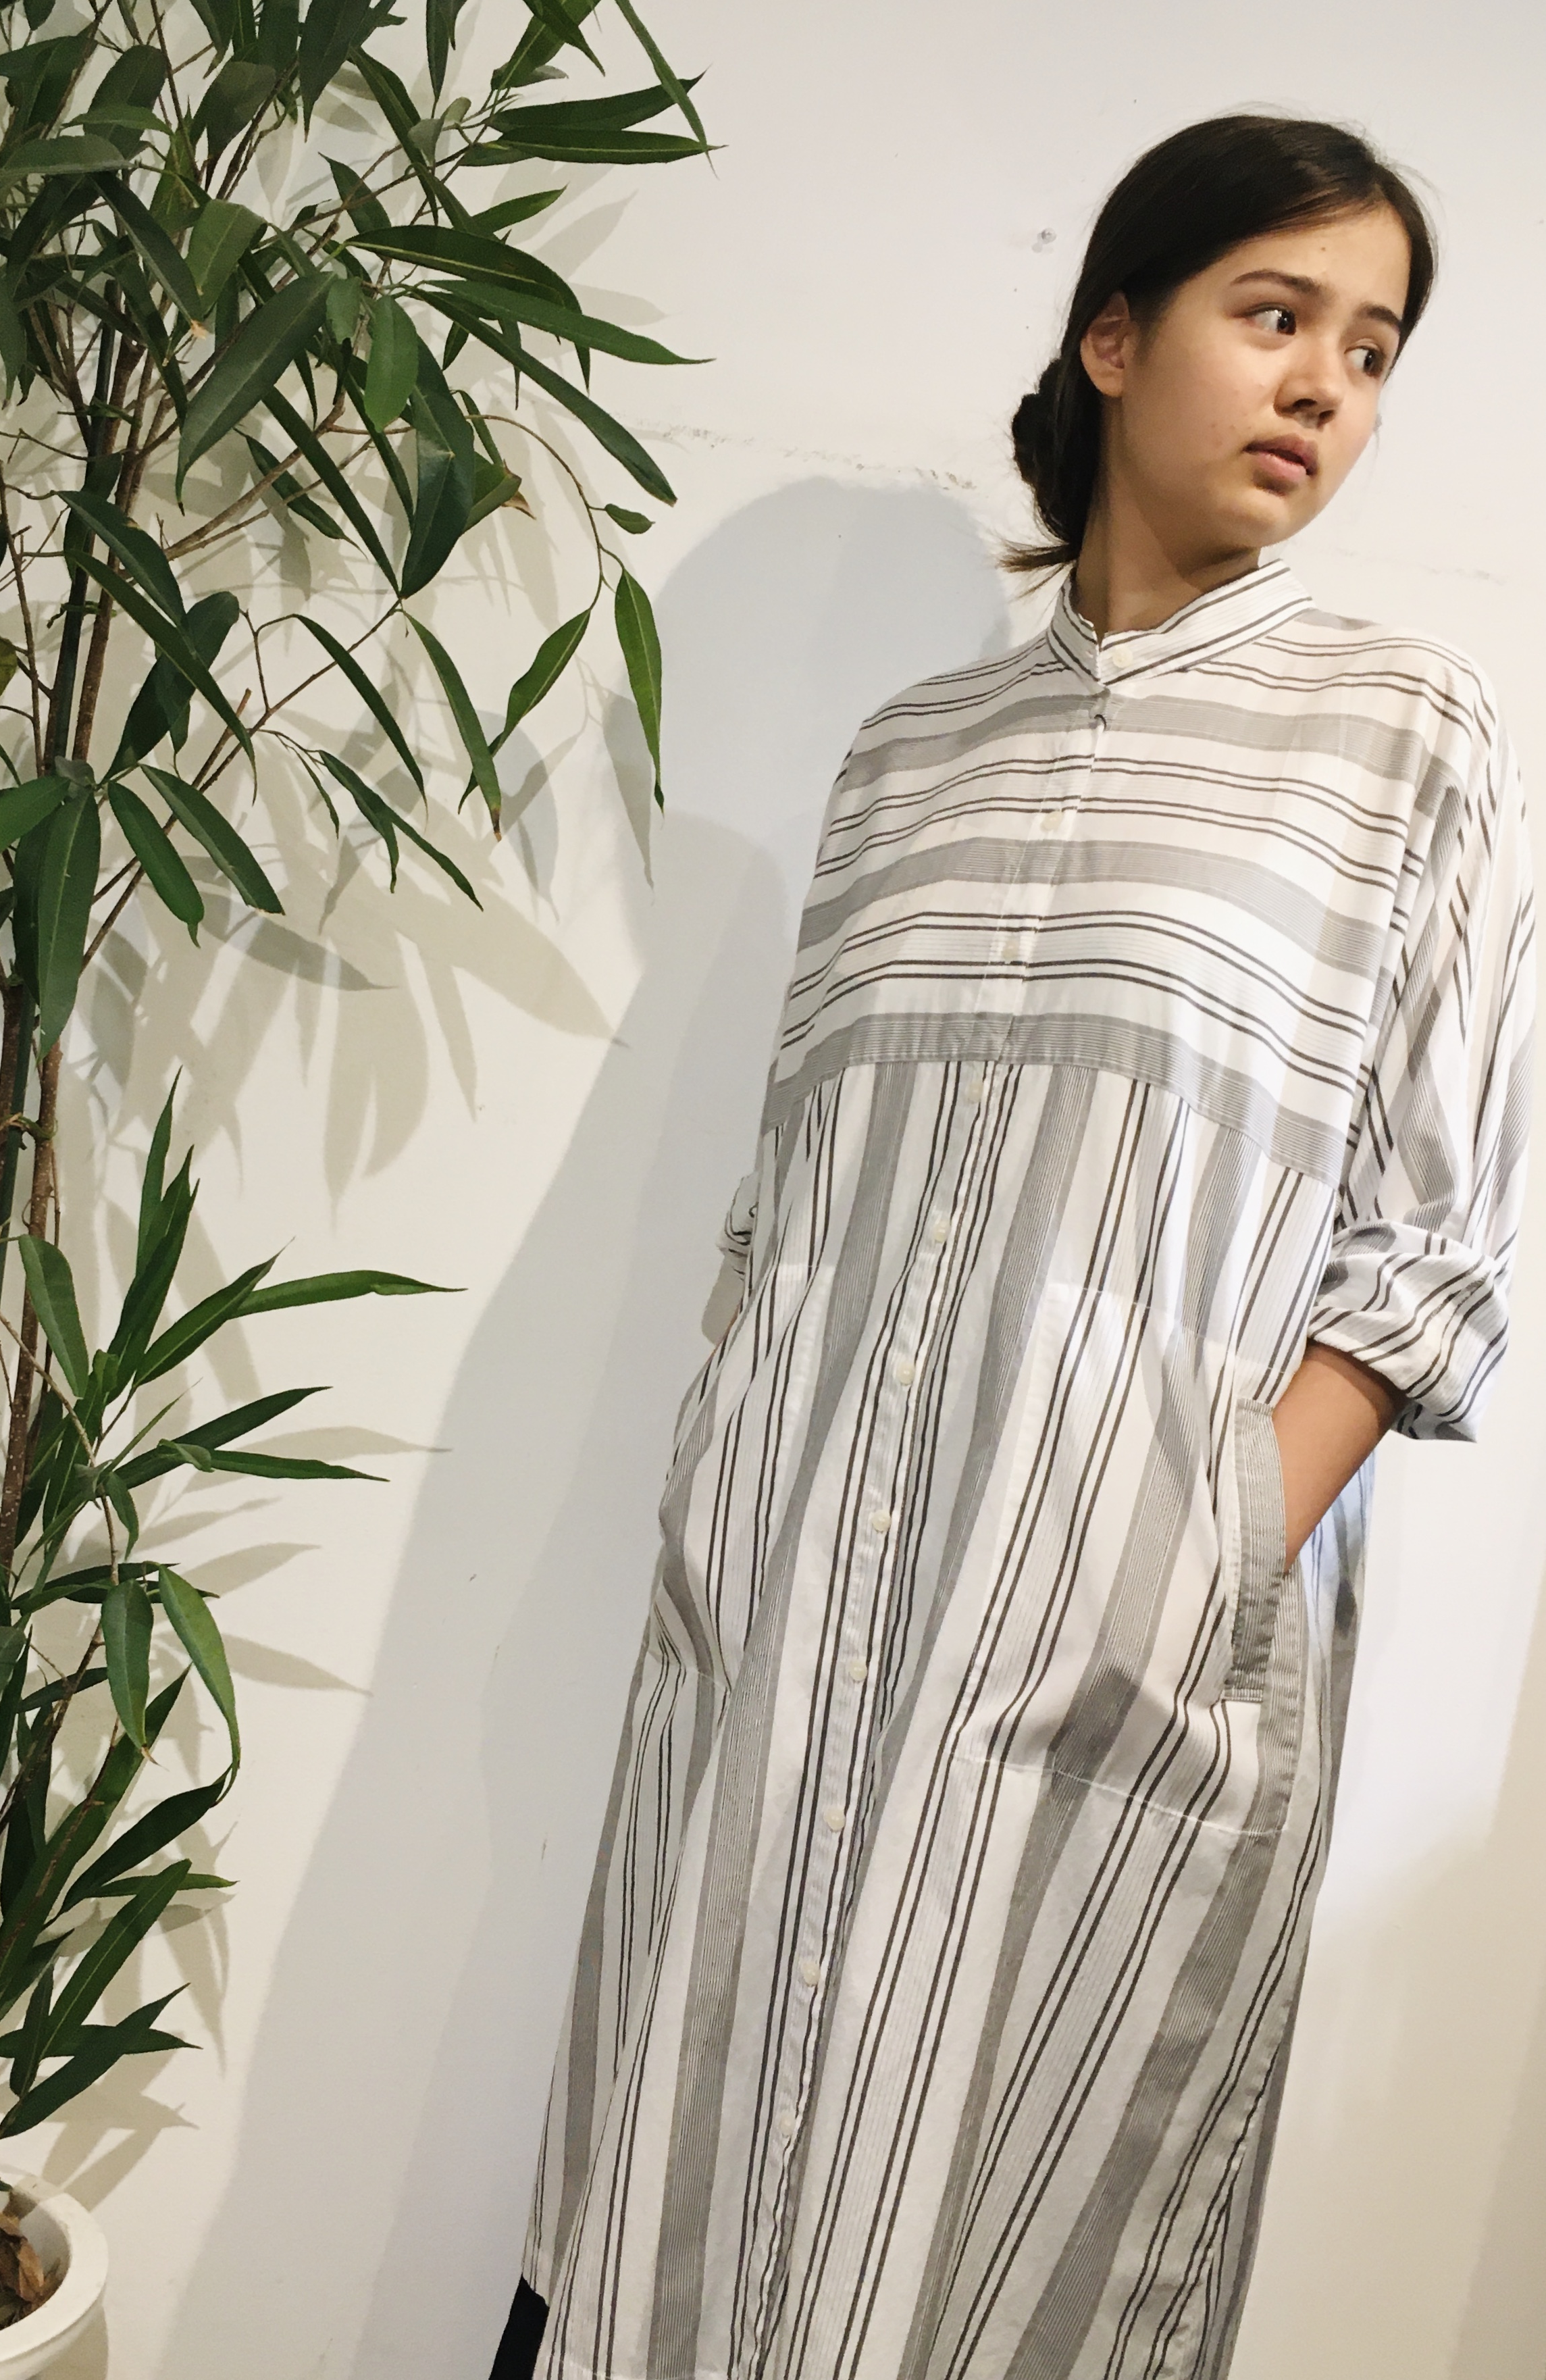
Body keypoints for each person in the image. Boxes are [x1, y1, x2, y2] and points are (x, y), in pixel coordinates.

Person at [491, 113, 1536, 2380]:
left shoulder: (1401, 732)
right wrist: (727, 1510)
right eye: (1274, 315)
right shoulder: (906, 755)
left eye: (1370, 350)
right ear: (1113, 338)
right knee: (674, 2202)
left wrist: (1188, 1558)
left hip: (1116, 1665)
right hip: (777, 1634)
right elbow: (783, 1203)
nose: (1323, 384)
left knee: (1005, 2249)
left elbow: (1430, 1243)